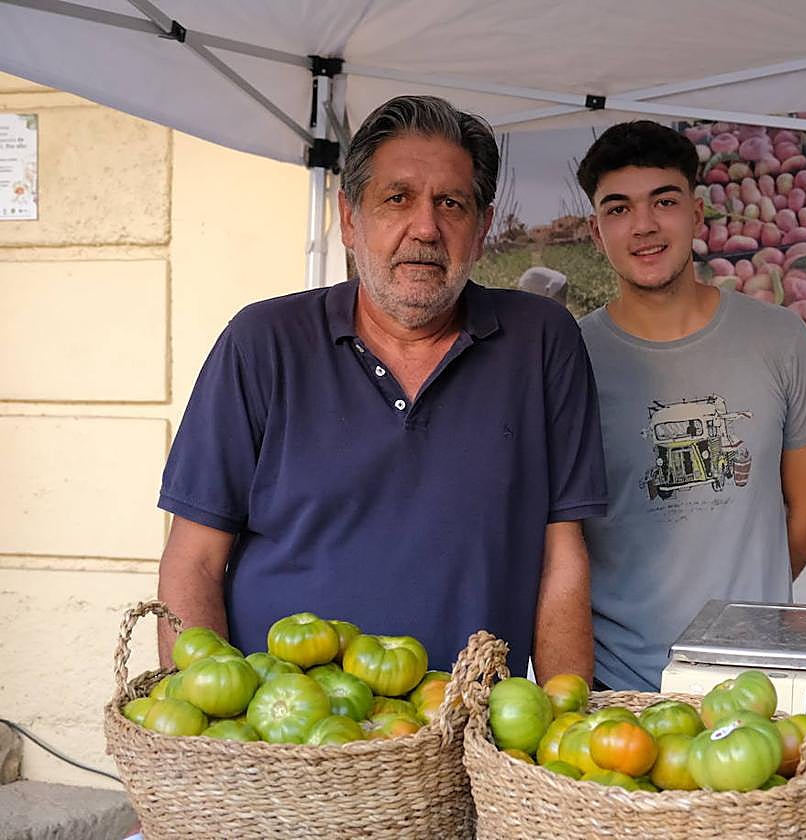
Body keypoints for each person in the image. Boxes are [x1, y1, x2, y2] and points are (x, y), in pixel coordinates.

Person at [155, 95, 606, 682]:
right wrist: (203, 732)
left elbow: (562, 556)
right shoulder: (263, 342)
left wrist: (560, 729)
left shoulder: (541, 341)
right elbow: (193, 559)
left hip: (471, 733)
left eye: (452, 203)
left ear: (482, 228)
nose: (426, 227)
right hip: (285, 738)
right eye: (397, 199)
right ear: (349, 219)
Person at [575, 121, 806, 692]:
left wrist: (743, 622)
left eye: (663, 202)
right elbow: (559, 541)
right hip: (619, 692)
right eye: (618, 210)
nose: (643, 226)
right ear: (596, 235)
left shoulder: (780, 339)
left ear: (697, 215)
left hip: (756, 685)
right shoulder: (569, 360)